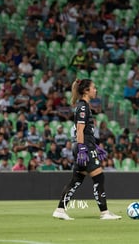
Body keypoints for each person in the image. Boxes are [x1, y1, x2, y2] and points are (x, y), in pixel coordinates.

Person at [52, 79, 121, 220]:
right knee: (99, 177)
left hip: (85, 146)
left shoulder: (84, 106)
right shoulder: (83, 107)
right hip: (84, 147)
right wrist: (83, 149)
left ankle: (60, 209)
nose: (96, 90)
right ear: (86, 91)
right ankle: (104, 213)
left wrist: (95, 146)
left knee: (76, 180)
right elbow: (79, 129)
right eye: (94, 88)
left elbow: (86, 132)